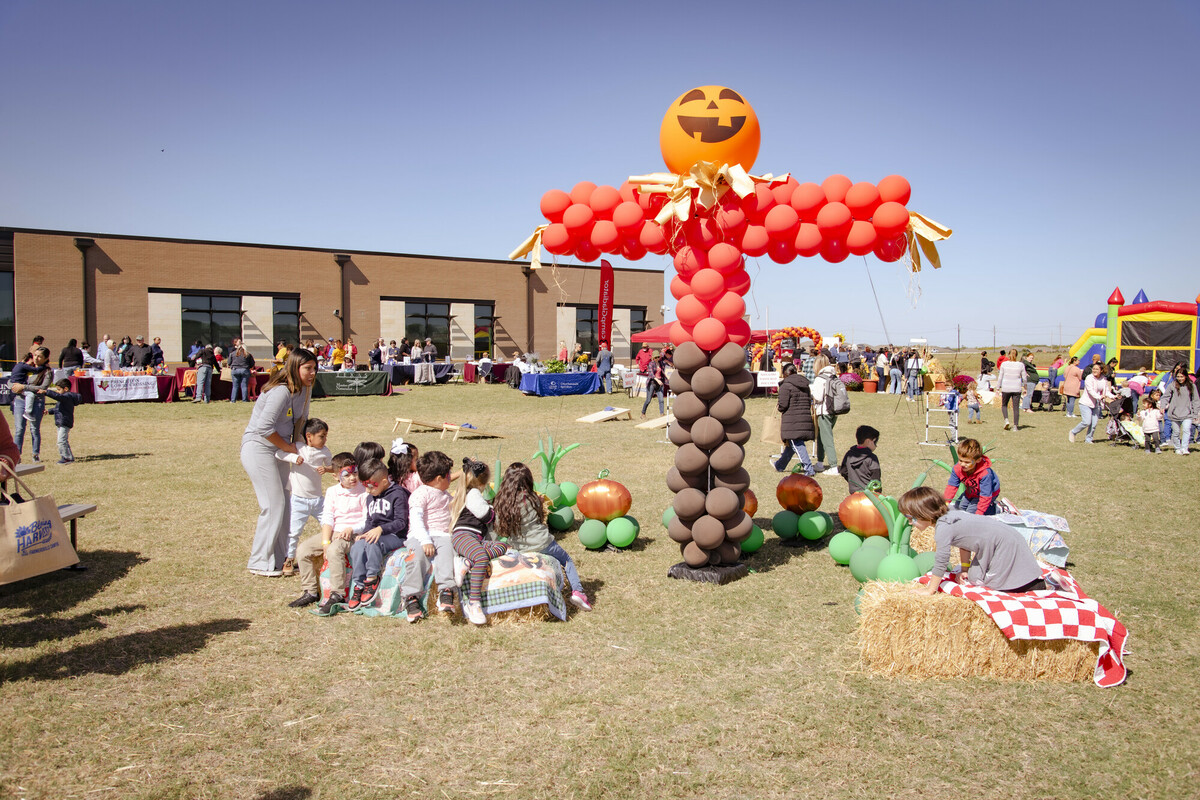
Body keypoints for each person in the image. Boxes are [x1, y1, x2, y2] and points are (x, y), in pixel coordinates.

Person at [242, 348, 317, 577]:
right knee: (273, 504)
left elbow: (299, 423)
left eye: (315, 368)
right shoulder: (280, 392)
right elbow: (264, 428)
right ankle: (259, 562)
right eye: (308, 368)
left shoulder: (305, 390)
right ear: (295, 368)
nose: (313, 373)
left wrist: (303, 448)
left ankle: (282, 559)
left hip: (283, 451)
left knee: (286, 505)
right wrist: (287, 447)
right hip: (259, 449)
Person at [900, 487, 1044, 595]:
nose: (911, 523)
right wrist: (964, 568)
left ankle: (1041, 586)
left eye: (911, 519)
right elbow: (965, 543)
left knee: (998, 584)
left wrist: (931, 589)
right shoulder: (949, 513)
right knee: (974, 577)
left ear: (924, 513)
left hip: (1002, 544)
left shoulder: (943, 527)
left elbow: (942, 560)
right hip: (1000, 540)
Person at [493, 462, 592, 611]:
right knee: (567, 560)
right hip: (543, 544)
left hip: (519, 547)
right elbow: (540, 520)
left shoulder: (501, 503)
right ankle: (578, 591)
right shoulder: (532, 499)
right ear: (528, 480)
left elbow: (501, 531)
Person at [345, 457, 411, 611]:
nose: (367, 491)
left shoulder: (398, 494)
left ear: (383, 480)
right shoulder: (370, 497)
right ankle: (359, 584)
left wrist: (381, 530)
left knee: (372, 543)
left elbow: (401, 522)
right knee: (358, 546)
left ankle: (372, 579)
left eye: (370, 486)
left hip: (395, 535)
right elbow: (370, 520)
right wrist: (365, 533)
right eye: (365, 486)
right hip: (376, 533)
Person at [308, 454, 369, 612]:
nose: (352, 478)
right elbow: (328, 517)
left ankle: (338, 593)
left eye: (354, 473)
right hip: (335, 531)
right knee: (303, 551)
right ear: (335, 476)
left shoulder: (364, 491)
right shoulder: (332, 492)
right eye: (346, 475)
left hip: (353, 534)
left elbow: (367, 519)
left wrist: (351, 529)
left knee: (335, 550)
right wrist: (325, 542)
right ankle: (310, 590)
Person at [450, 458, 506, 626]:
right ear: (483, 482)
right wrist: (494, 510)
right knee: (481, 558)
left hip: (474, 539)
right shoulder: (473, 494)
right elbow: (485, 516)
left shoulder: (467, 491)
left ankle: (467, 561)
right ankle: (474, 603)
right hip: (464, 536)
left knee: (503, 545)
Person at [276, 418, 332, 585]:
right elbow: (278, 453)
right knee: (294, 531)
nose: (325, 439)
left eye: (326, 436)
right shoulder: (299, 448)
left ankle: (328, 554)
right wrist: (294, 459)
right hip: (299, 499)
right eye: (322, 436)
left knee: (328, 526)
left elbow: (333, 466)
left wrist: (326, 469)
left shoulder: (325, 452)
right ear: (309, 436)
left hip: (318, 500)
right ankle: (289, 559)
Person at [405, 450, 457, 622]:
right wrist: (425, 540)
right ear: (439, 479)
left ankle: (446, 590)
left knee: (447, 554)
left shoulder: (446, 495)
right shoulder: (420, 494)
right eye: (448, 475)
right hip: (420, 535)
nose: (451, 477)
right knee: (417, 557)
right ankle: (411, 596)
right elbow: (416, 519)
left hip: (442, 535)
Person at [771, 363, 815, 476]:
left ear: (785, 373)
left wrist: (779, 407)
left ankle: (808, 469)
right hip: (804, 418)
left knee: (797, 444)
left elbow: (783, 405)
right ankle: (780, 465)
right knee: (792, 445)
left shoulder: (786, 386)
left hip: (792, 420)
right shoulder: (805, 384)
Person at [10, 346, 52, 462]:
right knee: (19, 429)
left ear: (46, 358)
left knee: (34, 429)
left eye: (40, 356)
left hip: (37, 402)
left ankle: (35, 454)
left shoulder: (47, 371)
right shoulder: (26, 366)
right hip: (20, 401)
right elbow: (12, 380)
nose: (36, 358)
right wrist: (13, 387)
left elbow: (42, 388)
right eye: (35, 355)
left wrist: (23, 386)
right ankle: (16, 456)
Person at [943, 438, 999, 515]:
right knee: (958, 508)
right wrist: (945, 503)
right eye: (960, 460)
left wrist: (979, 513)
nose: (962, 464)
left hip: (988, 494)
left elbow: (985, 495)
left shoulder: (985, 474)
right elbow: (952, 487)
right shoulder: (957, 469)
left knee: (970, 513)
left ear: (978, 460)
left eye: (967, 462)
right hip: (971, 492)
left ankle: (997, 508)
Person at [1069, 363, 1114, 444]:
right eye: (1093, 369)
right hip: (1085, 403)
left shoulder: (1103, 379)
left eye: (1097, 369)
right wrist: (1100, 397)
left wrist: (1114, 396)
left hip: (1096, 404)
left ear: (1101, 370)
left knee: (1093, 424)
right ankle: (1073, 432)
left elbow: (1106, 391)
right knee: (1086, 422)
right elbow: (1091, 391)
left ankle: (1088, 439)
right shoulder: (1089, 378)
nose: (1094, 371)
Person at [810, 354, 840, 474]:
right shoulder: (834, 376)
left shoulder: (820, 379)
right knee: (822, 437)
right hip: (834, 410)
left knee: (827, 438)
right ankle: (820, 462)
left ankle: (833, 466)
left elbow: (818, 396)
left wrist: (811, 390)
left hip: (824, 411)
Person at [1159, 364, 1197, 455]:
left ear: (1186, 376)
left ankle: (1184, 448)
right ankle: (1177, 448)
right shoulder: (1172, 385)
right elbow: (1165, 397)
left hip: (1187, 413)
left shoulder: (1191, 386)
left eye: (1182, 377)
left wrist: (1195, 413)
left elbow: (1196, 400)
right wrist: (1163, 406)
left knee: (1186, 430)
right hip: (1174, 413)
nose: (1180, 378)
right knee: (1176, 432)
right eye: (1178, 377)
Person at [45, 378, 83, 464]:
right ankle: (67, 456)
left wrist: (46, 392)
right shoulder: (64, 399)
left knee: (61, 441)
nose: (57, 392)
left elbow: (57, 396)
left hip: (64, 422)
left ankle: (67, 458)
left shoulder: (67, 397)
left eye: (59, 390)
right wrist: (49, 411)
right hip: (61, 421)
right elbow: (58, 409)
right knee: (63, 440)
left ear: (65, 389)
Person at [840, 425, 881, 493]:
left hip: (853, 495)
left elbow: (843, 471)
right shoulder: (872, 458)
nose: (876, 445)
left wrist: (853, 482)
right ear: (868, 441)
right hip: (870, 497)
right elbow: (876, 481)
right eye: (875, 442)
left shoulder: (849, 455)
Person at [996, 354, 1026, 431]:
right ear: (1016, 355)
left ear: (1009, 355)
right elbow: (1024, 377)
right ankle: (1015, 426)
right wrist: (1025, 387)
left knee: (1004, 405)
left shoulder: (1004, 364)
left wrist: (997, 388)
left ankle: (1006, 419)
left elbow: (1000, 377)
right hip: (1016, 388)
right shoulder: (1020, 365)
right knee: (1016, 407)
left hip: (1006, 387)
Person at [640, 349, 667, 419]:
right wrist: (657, 380)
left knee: (661, 400)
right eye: (655, 357)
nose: (657, 359)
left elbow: (665, 357)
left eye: (658, 357)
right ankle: (643, 413)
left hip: (660, 383)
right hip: (652, 383)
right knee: (648, 400)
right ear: (653, 358)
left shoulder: (661, 363)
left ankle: (662, 414)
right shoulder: (651, 364)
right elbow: (651, 374)